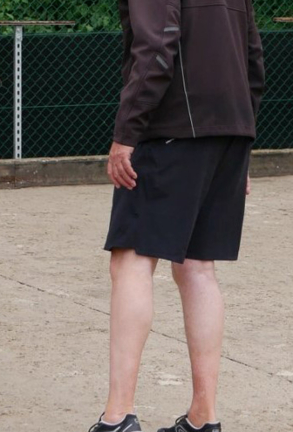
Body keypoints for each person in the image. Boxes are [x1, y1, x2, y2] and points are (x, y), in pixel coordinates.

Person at [88, 1, 264, 431]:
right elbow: (254, 58)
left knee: (131, 258)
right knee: (198, 267)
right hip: (232, 123)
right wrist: (240, 138)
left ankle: (117, 418)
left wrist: (127, 132)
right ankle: (204, 418)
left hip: (172, 126)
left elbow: (156, 46)